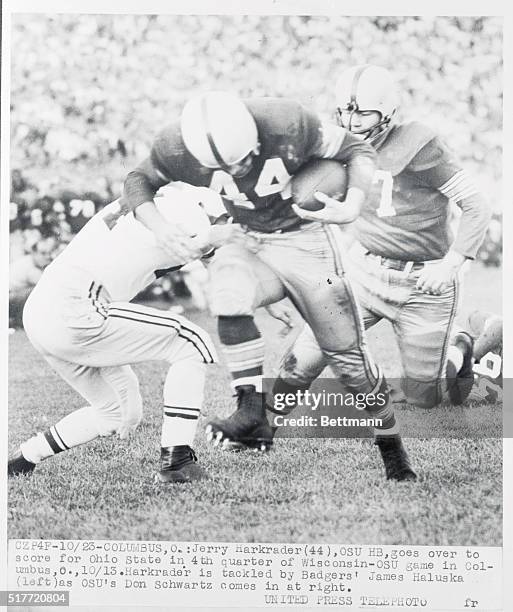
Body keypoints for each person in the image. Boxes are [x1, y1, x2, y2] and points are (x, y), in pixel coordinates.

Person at [121, 90, 416, 481]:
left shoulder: (288, 123)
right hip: (248, 237)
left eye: (244, 157)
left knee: (349, 362)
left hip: (305, 239)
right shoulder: (177, 146)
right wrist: (160, 228)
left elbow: (357, 149)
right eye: (227, 166)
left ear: (256, 136)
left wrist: (353, 202)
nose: (239, 169)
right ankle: (251, 412)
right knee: (226, 290)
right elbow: (137, 179)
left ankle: (392, 449)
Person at [269, 65, 491, 417]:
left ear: (387, 111)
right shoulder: (337, 143)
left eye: (363, 112)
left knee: (426, 398)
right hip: (362, 270)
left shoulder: (420, 145)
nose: (352, 120)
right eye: (345, 110)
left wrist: (452, 263)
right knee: (309, 351)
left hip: (423, 283)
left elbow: (477, 205)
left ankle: (465, 346)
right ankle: (261, 422)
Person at [8, 189, 239, 483]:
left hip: (42, 311)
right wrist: (251, 228)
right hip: (76, 308)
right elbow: (210, 240)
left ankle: (24, 458)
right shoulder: (189, 211)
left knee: (119, 413)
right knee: (191, 342)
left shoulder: (155, 200)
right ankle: (177, 460)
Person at [9, 235, 58, 328]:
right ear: (34, 253)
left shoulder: (30, 261)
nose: (48, 256)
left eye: (49, 253)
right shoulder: (30, 266)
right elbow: (50, 286)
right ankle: (21, 322)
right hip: (7, 300)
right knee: (38, 290)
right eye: (43, 253)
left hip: (12, 299)